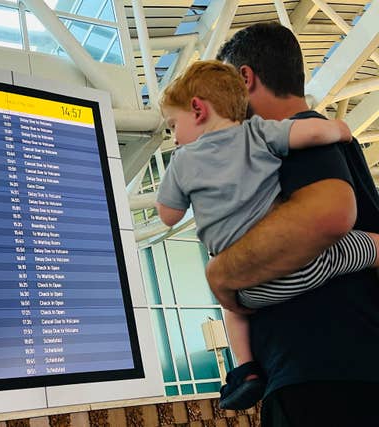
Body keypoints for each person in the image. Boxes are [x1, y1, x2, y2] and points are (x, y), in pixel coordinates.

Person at [154, 60, 379, 410]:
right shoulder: (259, 132)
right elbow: (314, 134)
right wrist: (342, 130)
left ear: (197, 109)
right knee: (374, 245)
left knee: (230, 308)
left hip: (250, 293)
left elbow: (168, 216)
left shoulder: (181, 162)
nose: (174, 137)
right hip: (311, 267)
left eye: (172, 126)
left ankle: (244, 370)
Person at [207, 22, 379, 426]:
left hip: (323, 382)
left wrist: (223, 275)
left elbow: (327, 218)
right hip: (338, 374)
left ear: (245, 79)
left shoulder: (293, 139)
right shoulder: (334, 146)